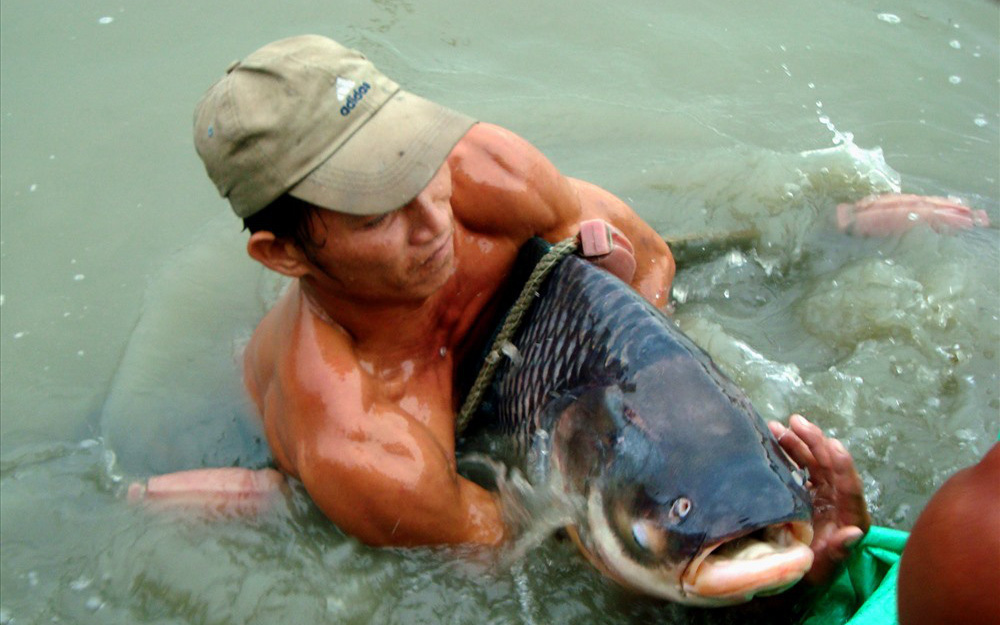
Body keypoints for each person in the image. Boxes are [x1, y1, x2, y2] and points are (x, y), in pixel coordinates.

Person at [131, 35, 985, 584]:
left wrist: (675, 435)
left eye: (413, 159)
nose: (436, 220)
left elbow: (648, 260)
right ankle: (278, 491)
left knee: (658, 261)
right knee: (338, 518)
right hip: (425, 436)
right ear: (282, 252)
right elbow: (507, 550)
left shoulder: (479, 174)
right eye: (374, 207)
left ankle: (826, 229)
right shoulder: (363, 435)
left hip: (560, 326)